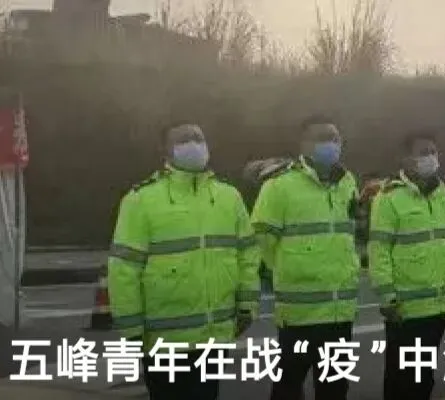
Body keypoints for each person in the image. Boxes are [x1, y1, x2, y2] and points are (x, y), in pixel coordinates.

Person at [107, 123, 260, 400]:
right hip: (163, 341)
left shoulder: (228, 197)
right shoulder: (141, 200)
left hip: (214, 335)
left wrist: (247, 306)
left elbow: (247, 255)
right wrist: (131, 329)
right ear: (165, 151)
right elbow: (124, 268)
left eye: (198, 138)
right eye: (184, 140)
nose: (193, 144)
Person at [251, 115, 360, 400]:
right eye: (322, 138)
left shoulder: (347, 182)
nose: (331, 144)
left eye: (335, 138)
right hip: (299, 312)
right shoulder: (279, 186)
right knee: (288, 387)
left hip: (340, 310)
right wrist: (288, 270)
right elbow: (262, 242)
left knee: (335, 388)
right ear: (303, 144)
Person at [368, 131, 445, 400]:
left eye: (433, 152)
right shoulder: (389, 198)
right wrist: (387, 298)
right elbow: (379, 250)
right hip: (405, 309)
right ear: (405, 159)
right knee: (401, 377)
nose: (430, 158)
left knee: (424, 376)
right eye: (423, 152)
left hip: (438, 306)